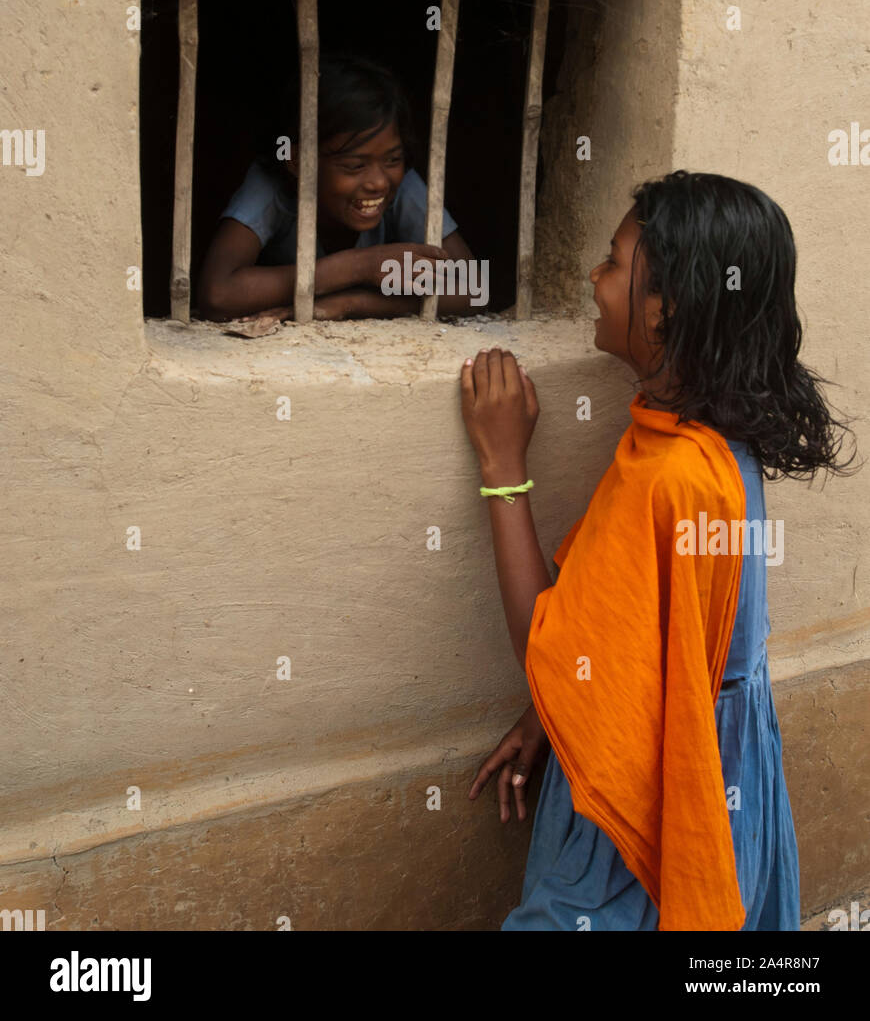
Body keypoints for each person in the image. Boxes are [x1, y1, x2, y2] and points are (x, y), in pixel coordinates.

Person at [460, 170, 858, 931]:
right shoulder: (707, 442)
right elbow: (653, 627)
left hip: (660, 789)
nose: (594, 277)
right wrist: (552, 717)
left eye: (613, 261)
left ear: (665, 305)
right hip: (727, 769)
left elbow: (541, 637)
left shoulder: (672, 474)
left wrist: (503, 469)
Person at [197, 54, 481, 322]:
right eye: (355, 166)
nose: (379, 182)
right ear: (298, 161)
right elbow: (217, 295)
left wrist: (354, 303)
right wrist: (359, 266)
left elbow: (474, 289)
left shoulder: (403, 185)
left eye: (393, 159)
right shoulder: (271, 185)